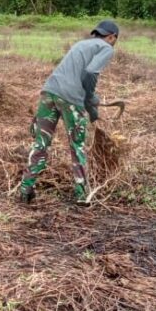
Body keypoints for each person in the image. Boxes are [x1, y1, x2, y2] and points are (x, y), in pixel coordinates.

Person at [19, 20, 119, 206]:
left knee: (41, 143)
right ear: (112, 37)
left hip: (49, 92)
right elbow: (90, 73)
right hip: (71, 99)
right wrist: (90, 100)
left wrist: (90, 105)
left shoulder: (81, 44)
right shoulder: (106, 47)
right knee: (77, 145)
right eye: (113, 39)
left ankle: (26, 189)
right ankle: (81, 196)